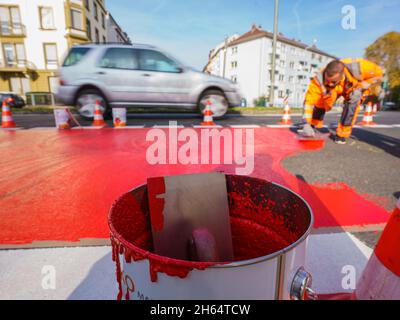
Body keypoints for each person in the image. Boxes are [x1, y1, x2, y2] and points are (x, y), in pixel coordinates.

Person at [301, 58, 383, 144]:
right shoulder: (318, 79)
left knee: (353, 102)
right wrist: (306, 123)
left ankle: (342, 134)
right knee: (320, 101)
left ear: (342, 74)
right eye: (327, 80)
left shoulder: (360, 67)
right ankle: (312, 125)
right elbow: (309, 102)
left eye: (333, 81)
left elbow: (379, 74)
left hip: (353, 87)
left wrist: (362, 86)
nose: (329, 84)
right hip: (335, 90)